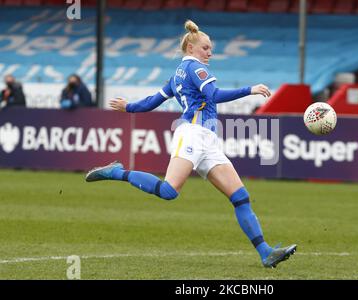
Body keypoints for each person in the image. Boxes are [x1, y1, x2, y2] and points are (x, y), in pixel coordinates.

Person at [85, 20, 296, 268]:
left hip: (207, 139)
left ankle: (265, 253)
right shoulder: (197, 70)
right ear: (192, 47)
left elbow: (152, 101)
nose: (210, 53)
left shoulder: (177, 75)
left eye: (210, 48)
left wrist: (128, 106)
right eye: (206, 47)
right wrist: (250, 89)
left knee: (240, 197)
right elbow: (214, 95)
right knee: (169, 191)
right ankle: (117, 172)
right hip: (193, 134)